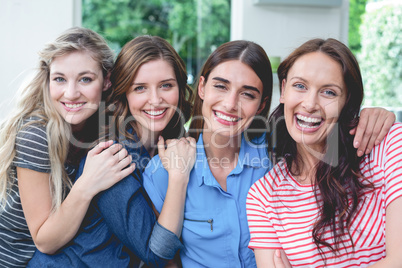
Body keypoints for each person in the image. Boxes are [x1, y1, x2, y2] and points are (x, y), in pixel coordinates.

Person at [143, 39, 397, 268]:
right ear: (201, 88)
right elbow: (165, 259)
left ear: (262, 104)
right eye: (221, 86)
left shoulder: (277, 153)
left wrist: (373, 115)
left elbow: (319, 129)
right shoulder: (162, 170)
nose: (231, 104)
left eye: (247, 94)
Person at [28, 35, 195, 267]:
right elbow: (156, 253)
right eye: (140, 88)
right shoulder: (113, 154)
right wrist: (179, 178)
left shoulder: (168, 145)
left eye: (166, 85)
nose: (155, 100)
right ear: (124, 91)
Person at [246, 38, 402, 267]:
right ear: (283, 90)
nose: (310, 104)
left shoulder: (388, 145)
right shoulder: (263, 197)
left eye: (328, 92)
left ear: (346, 101)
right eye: (300, 86)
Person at [0, 27, 135, 268]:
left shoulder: (100, 126)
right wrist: (87, 184)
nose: (71, 94)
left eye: (85, 79)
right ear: (48, 79)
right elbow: (45, 241)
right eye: (60, 79)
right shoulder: (36, 135)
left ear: (106, 80)